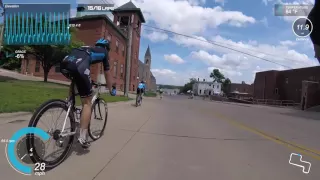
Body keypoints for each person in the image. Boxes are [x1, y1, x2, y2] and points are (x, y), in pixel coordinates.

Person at [60, 38, 116, 148]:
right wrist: (110, 88)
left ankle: (69, 104)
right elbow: (107, 73)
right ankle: (83, 137)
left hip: (65, 62)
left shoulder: (86, 47)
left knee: (76, 79)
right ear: (106, 48)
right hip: (80, 66)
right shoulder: (104, 52)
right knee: (87, 103)